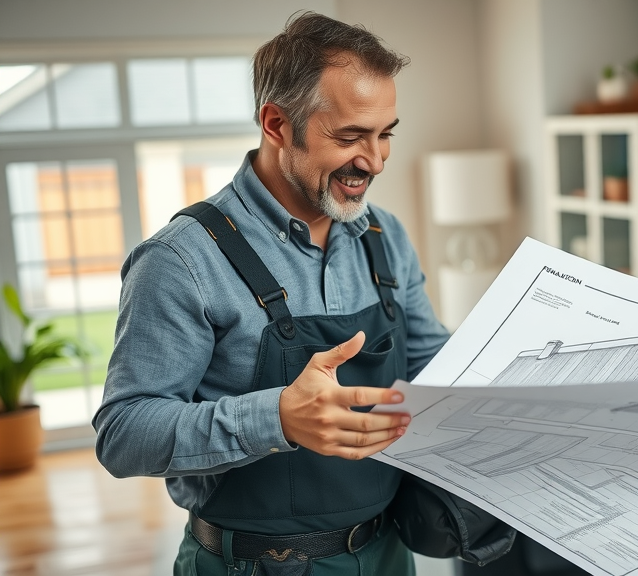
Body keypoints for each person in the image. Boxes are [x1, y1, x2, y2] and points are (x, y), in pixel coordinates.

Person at [94, 13, 456, 576]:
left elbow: (432, 366)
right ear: (277, 123)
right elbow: (122, 434)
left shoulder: (384, 237)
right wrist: (278, 419)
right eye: (349, 137)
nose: (376, 161)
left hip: (389, 553)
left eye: (385, 134)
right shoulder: (181, 260)